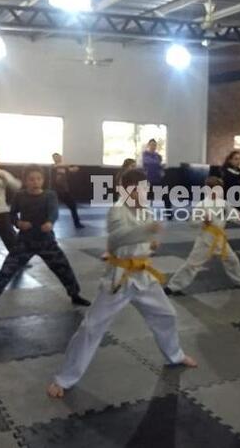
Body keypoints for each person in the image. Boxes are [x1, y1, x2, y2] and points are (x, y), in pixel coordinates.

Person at [46, 168, 197, 398]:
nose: (145, 191)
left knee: (167, 315)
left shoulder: (145, 210)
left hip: (143, 276)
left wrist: (150, 245)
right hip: (119, 278)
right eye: (141, 188)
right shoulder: (117, 210)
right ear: (127, 190)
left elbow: (141, 241)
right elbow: (117, 237)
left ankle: (174, 356)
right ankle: (64, 379)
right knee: (91, 327)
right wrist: (146, 231)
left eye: (146, 187)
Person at [0, 165, 91, 319]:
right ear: (25, 181)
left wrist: (50, 222)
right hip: (24, 242)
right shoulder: (20, 196)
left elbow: (54, 212)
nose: (35, 182)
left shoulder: (49, 195)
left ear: (43, 180)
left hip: (46, 241)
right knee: (6, 271)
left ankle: (75, 295)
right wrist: (18, 223)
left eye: (38, 179)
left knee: (63, 268)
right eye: (31, 179)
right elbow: (11, 215)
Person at [165, 176, 240, 295]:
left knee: (232, 260)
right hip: (205, 240)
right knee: (192, 264)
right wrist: (203, 221)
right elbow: (192, 222)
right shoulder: (202, 205)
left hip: (220, 240)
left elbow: (233, 215)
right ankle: (173, 286)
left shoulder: (224, 203)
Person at [51, 153, 84, 229]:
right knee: (50, 208)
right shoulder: (54, 166)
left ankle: (77, 223)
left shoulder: (64, 168)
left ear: (61, 157)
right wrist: (68, 166)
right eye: (55, 158)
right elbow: (60, 166)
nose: (57, 159)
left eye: (58, 157)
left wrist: (74, 167)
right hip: (55, 192)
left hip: (64, 192)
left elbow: (75, 169)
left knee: (73, 206)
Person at [142, 139, 172, 217]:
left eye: (154, 145)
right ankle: (142, 214)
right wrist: (158, 164)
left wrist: (161, 169)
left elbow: (160, 167)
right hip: (148, 180)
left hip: (158, 180)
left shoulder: (158, 156)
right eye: (151, 145)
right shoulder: (145, 154)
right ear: (148, 145)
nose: (153, 146)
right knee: (142, 196)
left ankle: (169, 214)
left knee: (166, 195)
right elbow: (150, 163)